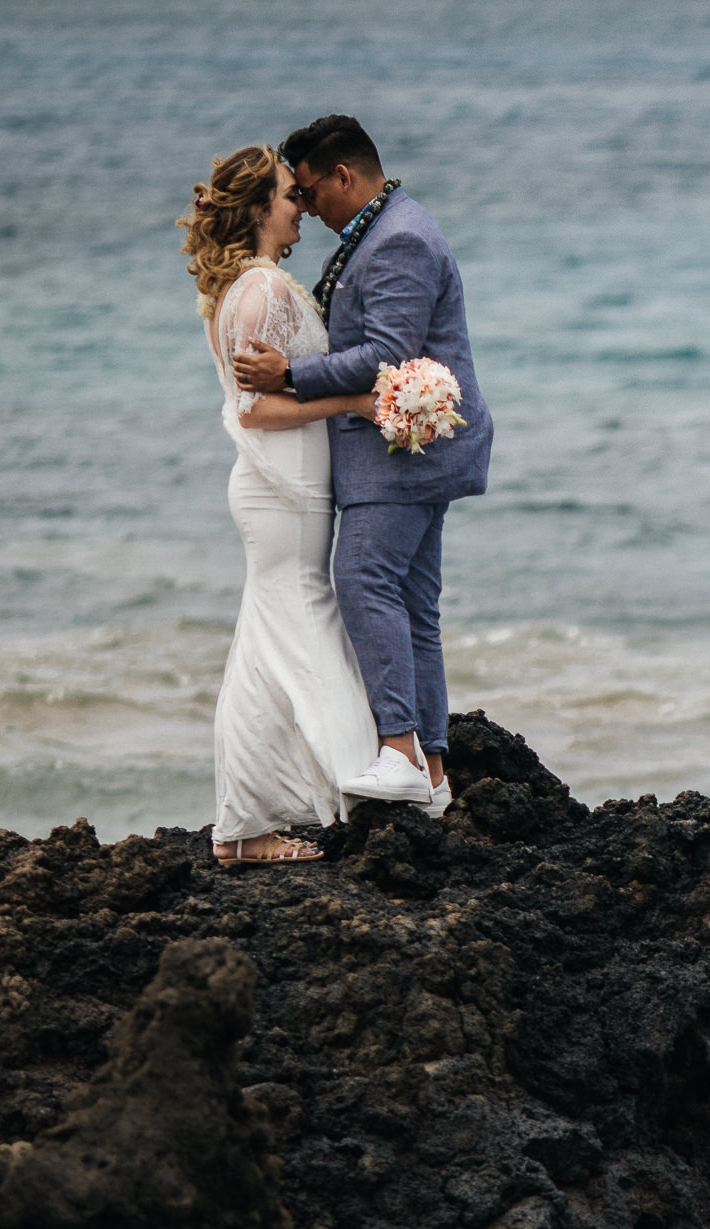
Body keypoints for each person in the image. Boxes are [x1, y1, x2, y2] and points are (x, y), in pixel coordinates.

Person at [233, 114, 494, 815]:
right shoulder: (382, 228)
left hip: (402, 454)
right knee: (412, 604)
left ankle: (402, 751)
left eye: (313, 192)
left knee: (362, 578)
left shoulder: (399, 238)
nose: (308, 208)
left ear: (344, 175)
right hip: (410, 450)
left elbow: (387, 354)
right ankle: (433, 772)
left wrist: (290, 371)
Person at [176, 145, 383, 864]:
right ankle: (361, 789)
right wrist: (355, 399)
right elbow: (258, 409)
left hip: (281, 491)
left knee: (263, 651)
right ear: (261, 207)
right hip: (281, 493)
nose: (302, 207)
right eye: (290, 196)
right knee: (308, 627)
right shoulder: (259, 292)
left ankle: (242, 828)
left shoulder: (246, 287)